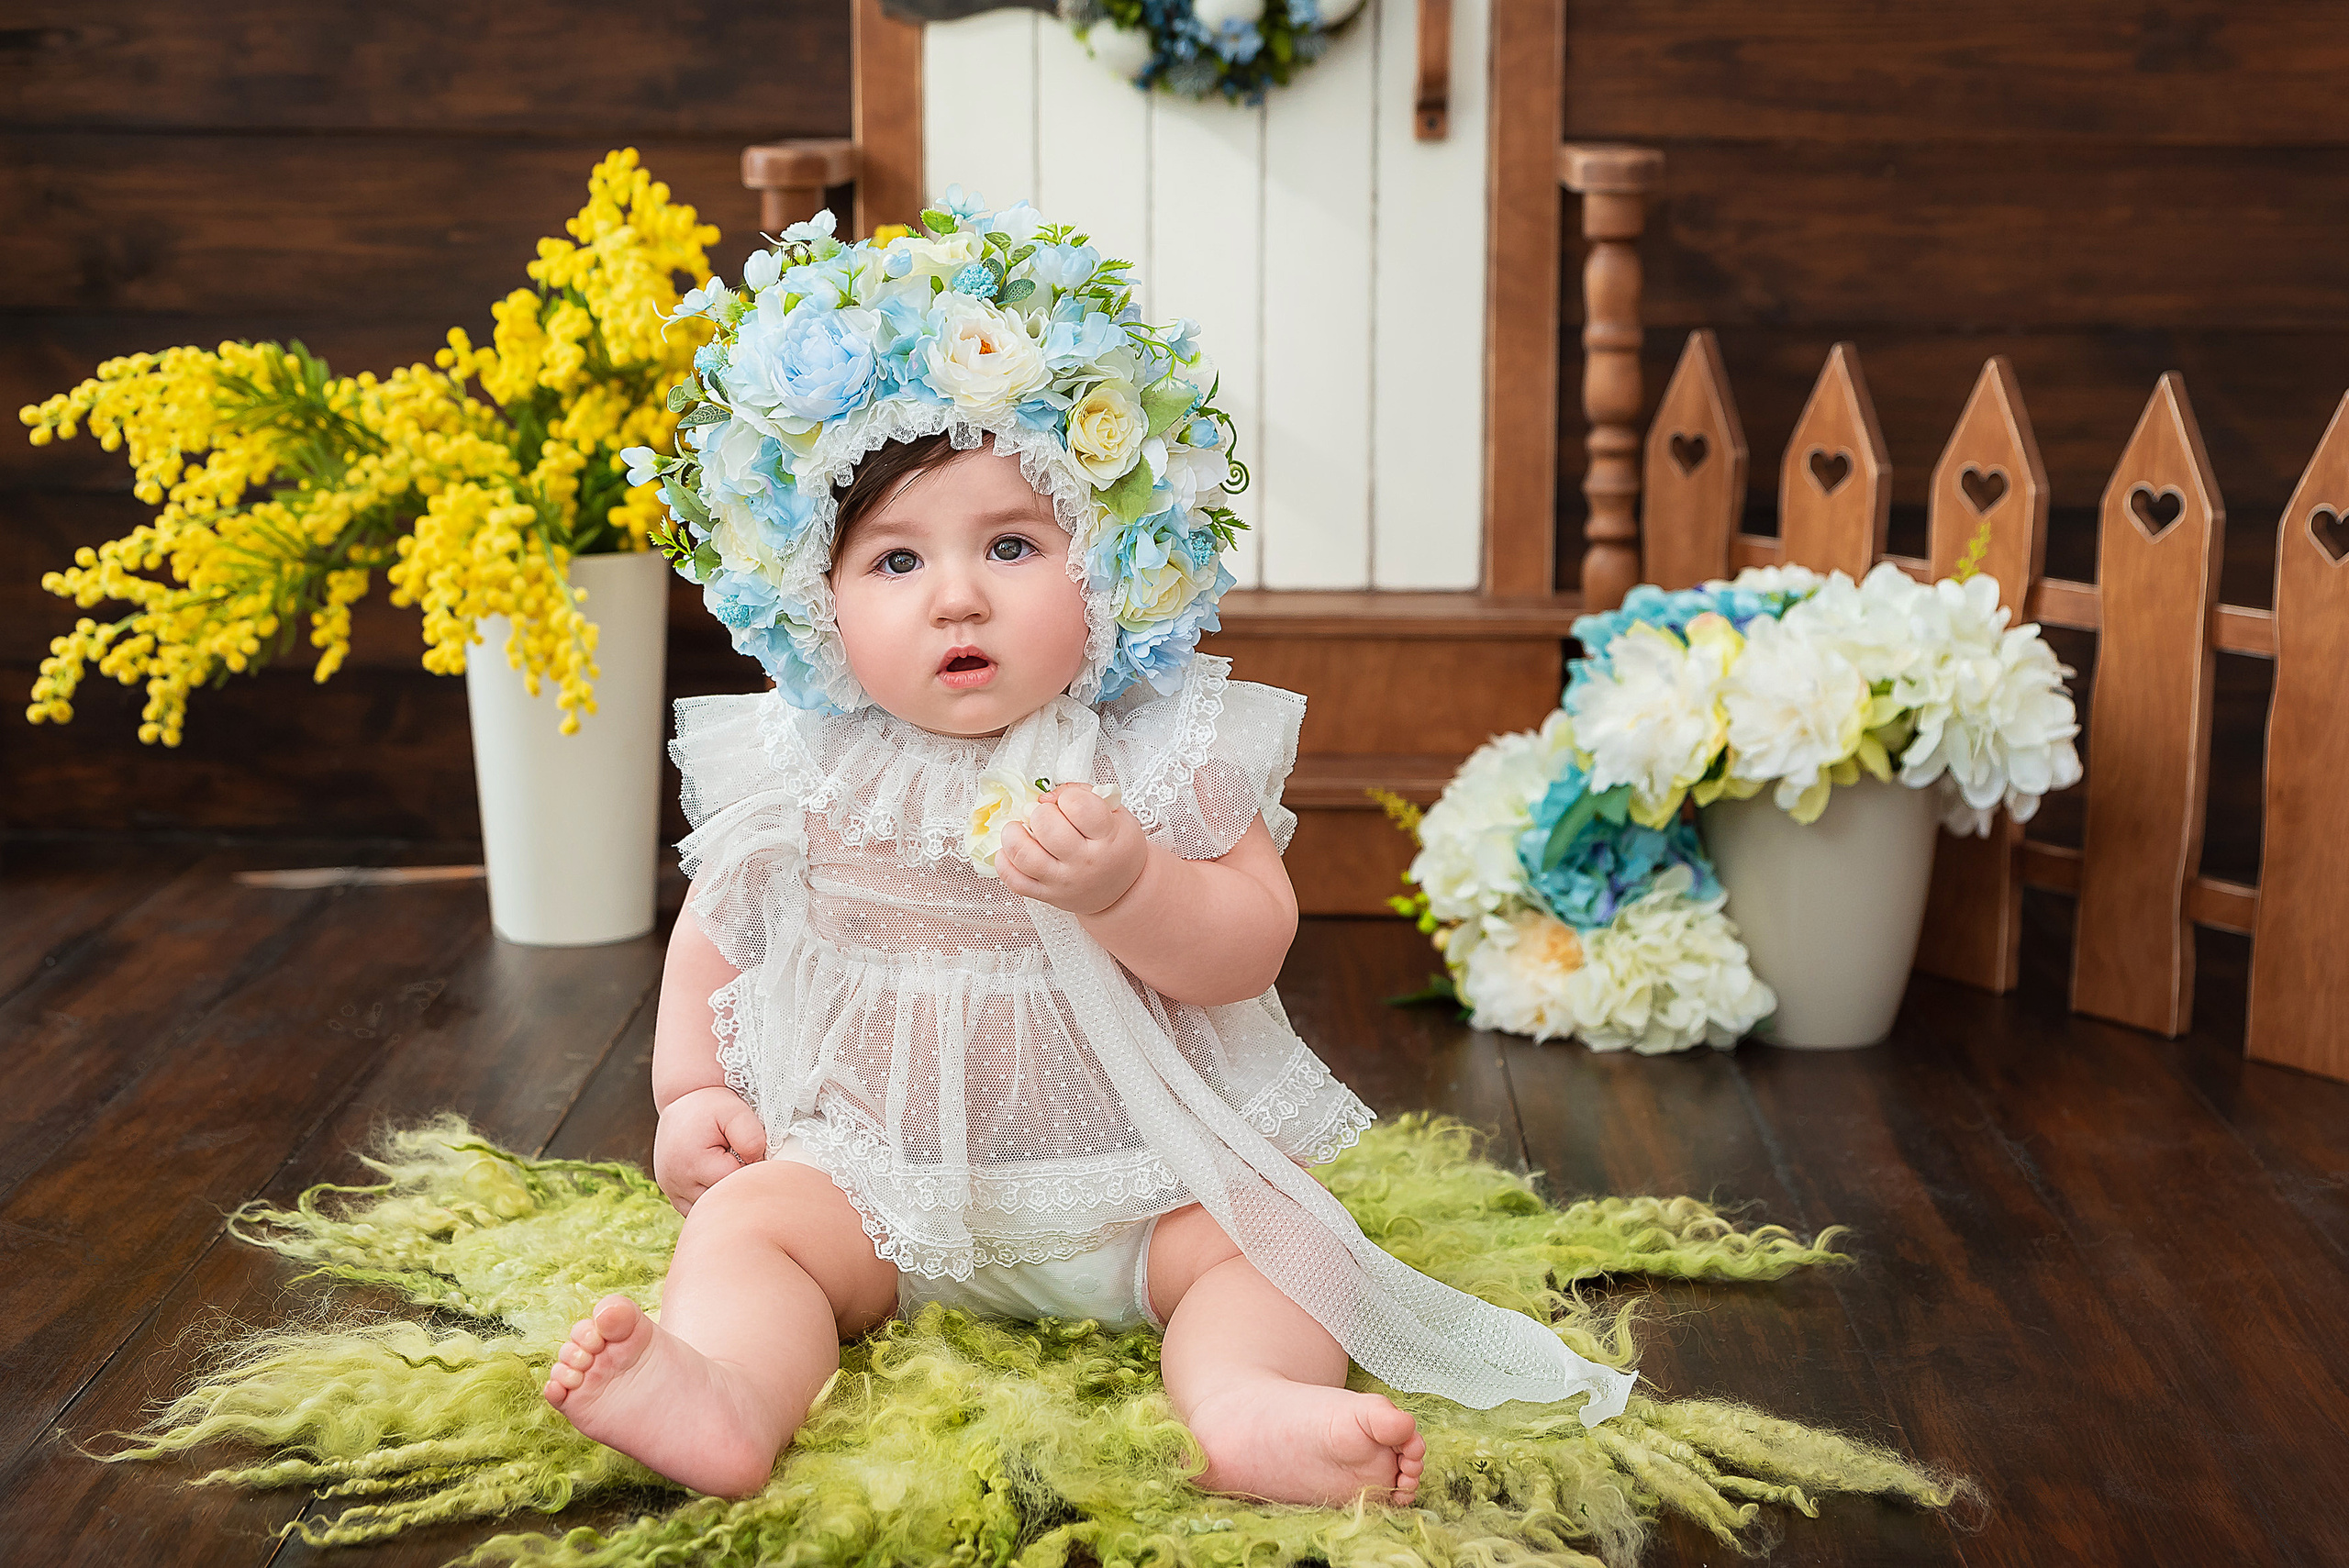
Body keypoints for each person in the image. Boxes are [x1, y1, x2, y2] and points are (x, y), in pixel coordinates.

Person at [542, 195, 1634, 1505]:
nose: (957, 594)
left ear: (1111, 558)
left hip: (1139, 1182)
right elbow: (720, 933)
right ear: (812, 595)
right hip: (871, 1183)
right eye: (894, 558)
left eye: (1011, 543)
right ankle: (722, 1387)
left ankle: (1247, 1402)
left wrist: (1134, 886)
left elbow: (1250, 945)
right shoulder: (805, 760)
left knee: (1288, 1236)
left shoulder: (1153, 751)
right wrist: (690, 1097)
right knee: (742, 1229)